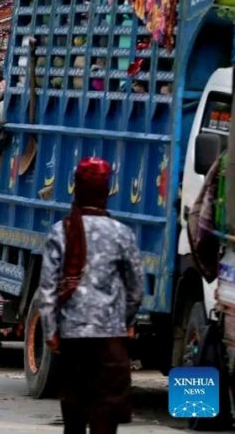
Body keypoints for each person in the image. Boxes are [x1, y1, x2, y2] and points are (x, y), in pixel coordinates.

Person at [39, 158, 144, 434]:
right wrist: (125, 319)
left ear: (77, 188)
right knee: (105, 416)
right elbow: (136, 288)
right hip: (110, 338)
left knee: (74, 415)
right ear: (106, 191)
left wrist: (51, 330)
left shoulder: (61, 232)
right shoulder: (122, 234)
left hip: (72, 339)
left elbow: (48, 287)